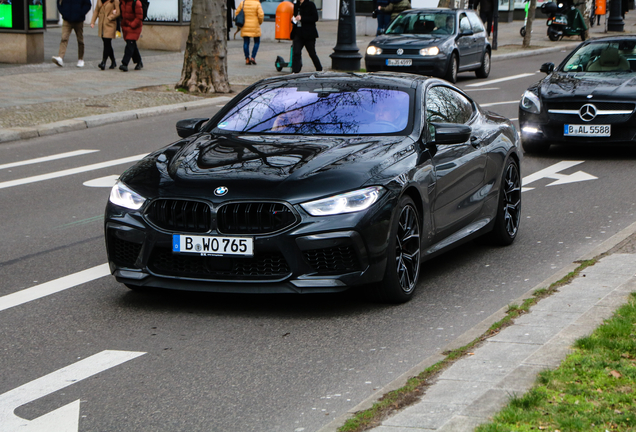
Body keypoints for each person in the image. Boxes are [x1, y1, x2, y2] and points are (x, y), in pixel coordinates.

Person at [51, 0, 92, 67]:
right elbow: (59, 2)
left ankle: (80, 59)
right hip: (67, 19)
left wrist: (81, 13)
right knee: (64, 38)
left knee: (80, 40)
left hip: (78, 20)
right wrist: (63, 12)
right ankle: (60, 57)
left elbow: (88, 4)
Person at [291, 0, 322, 73]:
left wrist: (302, 18)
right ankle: (296, 71)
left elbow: (315, 18)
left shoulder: (310, 4)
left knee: (312, 53)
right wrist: (293, 20)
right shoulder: (296, 5)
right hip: (298, 32)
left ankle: (319, 69)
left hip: (309, 34)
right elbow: (295, 16)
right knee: (296, 52)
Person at [91, 0, 121, 70]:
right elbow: (96, 11)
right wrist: (93, 21)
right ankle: (113, 61)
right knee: (107, 44)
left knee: (107, 43)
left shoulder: (115, 1)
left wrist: (110, 17)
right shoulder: (99, 0)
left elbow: (118, 12)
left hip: (110, 25)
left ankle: (103, 62)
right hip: (101, 25)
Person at [235, 0, 264, 65]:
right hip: (255, 25)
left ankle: (247, 58)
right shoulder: (257, 3)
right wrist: (259, 22)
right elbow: (261, 15)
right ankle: (253, 57)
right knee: (256, 42)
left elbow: (237, 13)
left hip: (245, 25)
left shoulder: (243, 3)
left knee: (246, 42)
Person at [119, 0, 143, 72]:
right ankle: (139, 62)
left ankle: (125, 63)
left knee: (130, 44)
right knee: (132, 45)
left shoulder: (136, 3)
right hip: (126, 26)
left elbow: (139, 17)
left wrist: (132, 25)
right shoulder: (122, 2)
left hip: (135, 27)